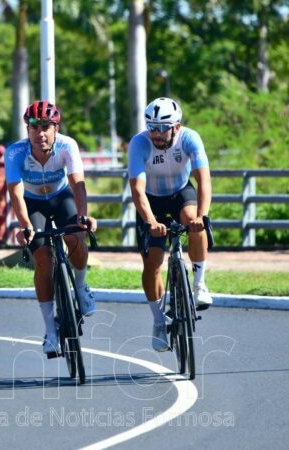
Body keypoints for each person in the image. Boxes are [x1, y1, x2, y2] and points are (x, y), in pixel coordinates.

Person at [5, 100, 98, 357]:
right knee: (43, 260)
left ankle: (81, 286)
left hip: (61, 197)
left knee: (76, 236)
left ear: (56, 128)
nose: (40, 133)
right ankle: (50, 331)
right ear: (27, 129)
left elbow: (77, 183)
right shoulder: (15, 152)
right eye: (34, 127)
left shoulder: (67, 145)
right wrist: (25, 226)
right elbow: (15, 192)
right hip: (32, 203)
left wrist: (83, 215)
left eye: (45, 127)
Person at [127, 97, 213, 352]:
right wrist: (151, 221)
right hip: (150, 200)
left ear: (176, 127)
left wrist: (202, 216)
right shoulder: (139, 143)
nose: (155, 133)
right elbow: (137, 190)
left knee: (194, 219)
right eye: (151, 127)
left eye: (162, 128)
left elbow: (204, 180)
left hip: (179, 193)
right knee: (152, 263)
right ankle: (158, 322)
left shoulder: (190, 138)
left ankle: (199, 284)